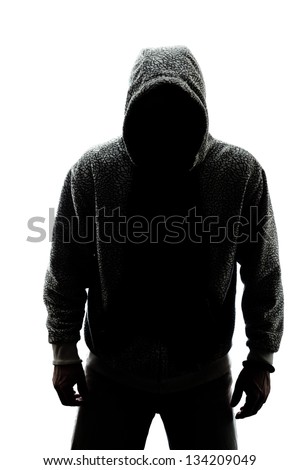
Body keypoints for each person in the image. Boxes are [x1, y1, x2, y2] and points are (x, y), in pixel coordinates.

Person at [43, 45, 284, 450]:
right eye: (154, 107)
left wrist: (262, 358)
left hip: (205, 375)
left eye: (178, 106)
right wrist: (63, 352)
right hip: (111, 373)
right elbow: (66, 268)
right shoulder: (93, 171)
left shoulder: (240, 172)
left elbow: (263, 271)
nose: (166, 121)